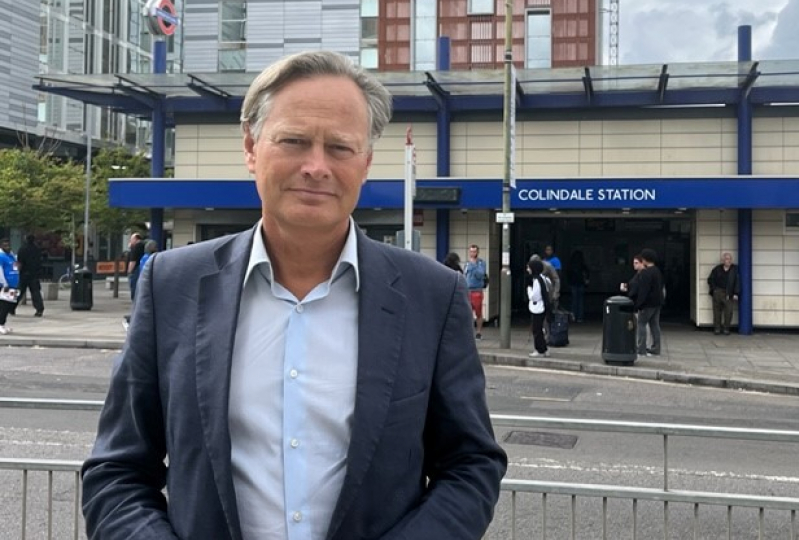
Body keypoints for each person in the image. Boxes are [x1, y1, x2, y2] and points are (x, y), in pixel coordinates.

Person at [82, 51, 506, 540]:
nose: (316, 166)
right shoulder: (171, 285)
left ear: (365, 163)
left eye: (340, 148)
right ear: (251, 147)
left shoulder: (431, 295)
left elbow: (471, 464)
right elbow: (116, 471)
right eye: (294, 141)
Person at [634, 248, 663, 357]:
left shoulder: (646, 273)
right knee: (655, 325)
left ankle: (641, 349)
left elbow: (644, 291)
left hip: (647, 304)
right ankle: (656, 348)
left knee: (641, 324)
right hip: (657, 303)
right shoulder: (657, 271)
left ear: (645, 260)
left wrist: (639, 304)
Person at [708, 252, 741, 335]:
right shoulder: (717, 269)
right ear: (722, 260)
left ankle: (726, 329)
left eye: (729, 259)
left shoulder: (735, 269)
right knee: (717, 312)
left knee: (728, 312)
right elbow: (710, 279)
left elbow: (738, 281)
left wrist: (736, 293)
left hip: (728, 293)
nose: (728, 261)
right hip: (718, 292)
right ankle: (717, 329)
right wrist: (714, 289)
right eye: (726, 259)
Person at [16, 235, 45, 317]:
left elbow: (19, 262)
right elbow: (40, 261)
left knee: (19, 292)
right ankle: (39, 309)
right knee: (36, 292)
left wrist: (17, 271)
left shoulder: (22, 249)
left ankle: (11, 307)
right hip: (34, 274)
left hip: (24, 273)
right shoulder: (37, 249)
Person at [526, 259, 550, 358]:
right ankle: (544, 348)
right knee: (540, 329)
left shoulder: (536, 280)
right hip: (543, 306)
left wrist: (529, 290)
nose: (527, 269)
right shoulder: (544, 278)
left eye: (529, 267)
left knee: (536, 330)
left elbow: (534, 296)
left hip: (537, 307)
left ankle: (539, 349)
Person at [464, 243, 487, 339]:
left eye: (474, 251)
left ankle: (478, 332)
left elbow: (480, 274)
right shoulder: (467, 263)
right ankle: (468, 331)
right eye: (471, 251)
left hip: (477, 290)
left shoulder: (481, 263)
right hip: (468, 291)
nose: (472, 253)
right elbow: (465, 275)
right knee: (467, 312)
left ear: (477, 252)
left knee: (478, 312)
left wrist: (473, 266)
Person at [0, 238, 20, 335]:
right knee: (4, 305)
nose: (7, 247)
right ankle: (1, 324)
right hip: (6, 285)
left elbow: (15, 267)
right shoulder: (1, 256)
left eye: (8, 245)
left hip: (13, 284)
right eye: (5, 245)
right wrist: (4, 283)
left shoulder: (11, 256)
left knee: (9, 305)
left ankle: (3, 324)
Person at [566, 250, 589, 322]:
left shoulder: (571, 265)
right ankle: (580, 317)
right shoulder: (582, 265)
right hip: (581, 284)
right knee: (580, 301)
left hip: (573, 284)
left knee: (574, 301)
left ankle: (573, 316)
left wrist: (569, 283)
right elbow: (587, 273)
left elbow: (568, 275)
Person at [126, 233, 144, 301]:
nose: (130, 241)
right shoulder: (143, 246)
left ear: (136, 239)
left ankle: (134, 301)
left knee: (134, 286)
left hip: (135, 270)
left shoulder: (136, 247)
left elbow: (133, 260)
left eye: (131, 239)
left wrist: (129, 271)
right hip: (141, 268)